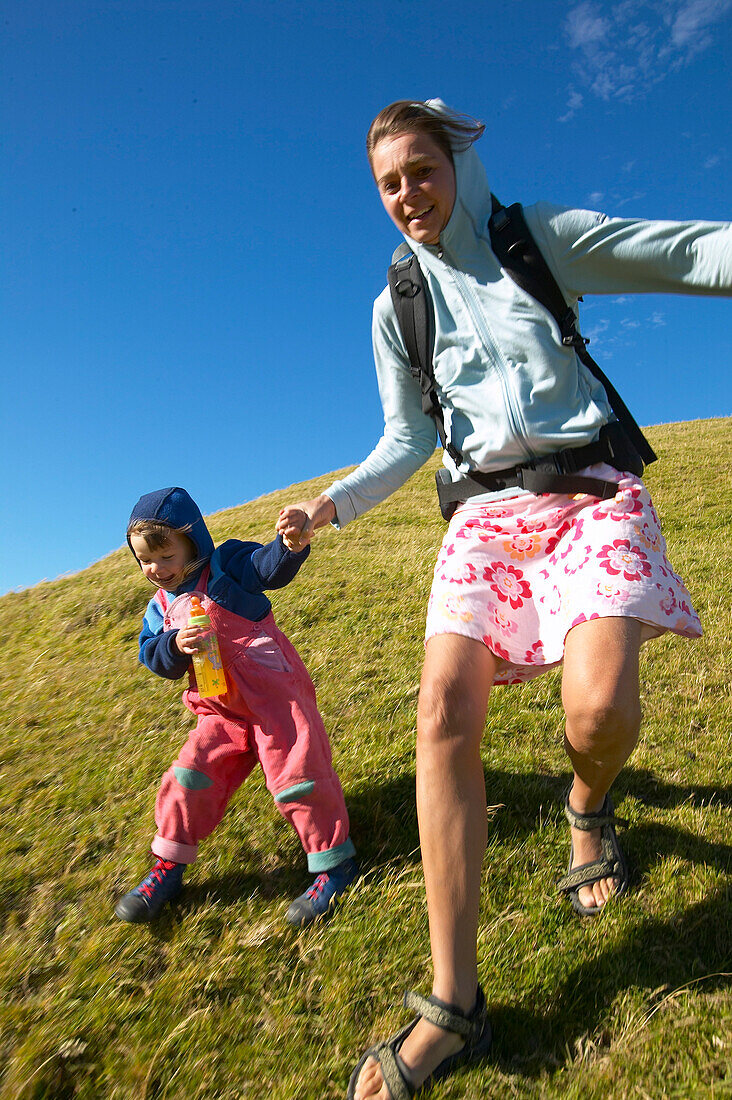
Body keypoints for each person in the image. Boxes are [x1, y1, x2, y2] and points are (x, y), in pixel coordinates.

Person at [276, 99, 731, 1098]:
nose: (408, 195)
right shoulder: (397, 304)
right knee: (440, 712)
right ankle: (455, 999)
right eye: (389, 183)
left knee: (599, 711)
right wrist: (333, 504)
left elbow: (691, 252)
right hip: (483, 514)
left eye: (421, 170)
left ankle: (587, 804)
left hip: (592, 493)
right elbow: (403, 438)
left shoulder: (540, 239)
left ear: (456, 163)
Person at [116, 486, 357, 927]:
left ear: (193, 541)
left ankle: (334, 865)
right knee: (189, 776)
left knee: (298, 775)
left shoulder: (226, 565)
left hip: (274, 697)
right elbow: (152, 656)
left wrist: (289, 546)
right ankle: (169, 864)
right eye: (144, 560)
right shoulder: (160, 608)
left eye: (165, 555)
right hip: (219, 710)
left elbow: (267, 568)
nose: (156, 569)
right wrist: (173, 645)